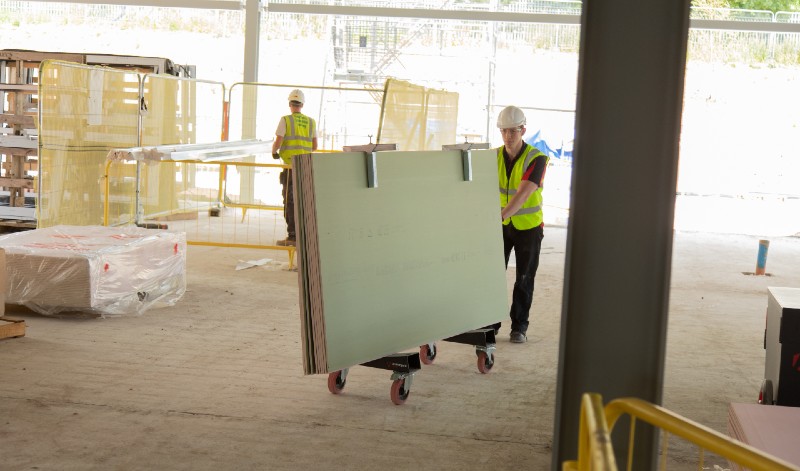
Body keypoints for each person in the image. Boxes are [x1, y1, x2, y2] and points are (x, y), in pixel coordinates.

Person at [493, 105, 548, 343]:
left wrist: (499, 216)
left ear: (523, 130)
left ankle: (519, 326)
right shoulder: (493, 157)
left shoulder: (536, 158)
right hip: (500, 226)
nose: (508, 136)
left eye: (513, 130)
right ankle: (490, 324)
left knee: (524, 277)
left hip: (529, 227)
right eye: (504, 130)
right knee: (493, 275)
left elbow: (523, 194)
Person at [272, 89, 318, 247]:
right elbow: (315, 146)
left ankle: (293, 236)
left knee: (290, 201)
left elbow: (278, 141)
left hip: (291, 167)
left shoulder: (285, 120)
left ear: (290, 104)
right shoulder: (311, 122)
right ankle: (304, 236)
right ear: (302, 105)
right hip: (305, 168)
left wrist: (274, 152)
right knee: (303, 201)